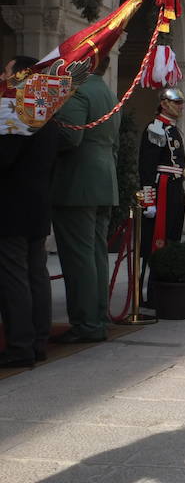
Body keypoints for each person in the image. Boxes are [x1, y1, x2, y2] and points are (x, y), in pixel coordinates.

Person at [50, 55, 120, 344]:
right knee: (95, 255)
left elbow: (70, 138)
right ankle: (98, 318)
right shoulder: (106, 91)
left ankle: (86, 323)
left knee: (78, 258)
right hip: (103, 180)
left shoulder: (77, 90)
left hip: (77, 181)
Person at [0, 56, 57, 367]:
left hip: (13, 207)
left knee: (14, 278)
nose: (2, 75)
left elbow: (4, 159)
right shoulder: (45, 110)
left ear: (19, 76)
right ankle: (37, 342)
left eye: (6, 71)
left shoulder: (15, 110)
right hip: (37, 204)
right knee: (36, 274)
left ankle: (20, 346)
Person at [138, 87, 185, 303]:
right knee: (156, 242)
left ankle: (164, 287)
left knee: (172, 238)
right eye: (177, 103)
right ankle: (150, 293)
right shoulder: (156, 127)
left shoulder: (173, 129)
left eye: (180, 103)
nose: (181, 106)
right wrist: (149, 200)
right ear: (164, 104)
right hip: (161, 190)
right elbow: (147, 166)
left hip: (174, 188)